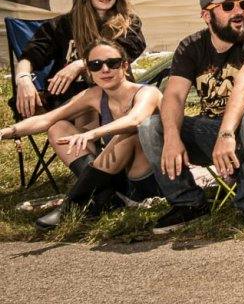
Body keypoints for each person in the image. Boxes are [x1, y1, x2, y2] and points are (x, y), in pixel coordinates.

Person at [136, 0, 244, 232]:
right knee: (151, 126)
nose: (239, 11)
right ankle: (188, 204)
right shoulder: (191, 46)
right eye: (228, 7)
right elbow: (173, 95)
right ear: (206, 15)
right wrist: (172, 136)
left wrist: (227, 134)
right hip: (214, 134)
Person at [2, 40, 162, 230]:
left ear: (125, 66)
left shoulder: (147, 92)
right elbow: (47, 119)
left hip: (151, 178)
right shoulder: (94, 95)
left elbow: (134, 120)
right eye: (96, 65)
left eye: (112, 63)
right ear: (89, 71)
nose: (105, 70)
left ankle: (72, 204)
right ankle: (104, 196)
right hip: (117, 177)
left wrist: (92, 133)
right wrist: (6, 132)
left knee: (126, 135)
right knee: (58, 127)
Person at [11, 0, 147, 118]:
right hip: (68, 99)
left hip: (115, 96)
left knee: (89, 106)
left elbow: (127, 49)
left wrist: (80, 64)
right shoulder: (62, 25)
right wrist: (23, 79)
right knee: (59, 130)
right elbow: (31, 55)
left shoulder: (128, 23)